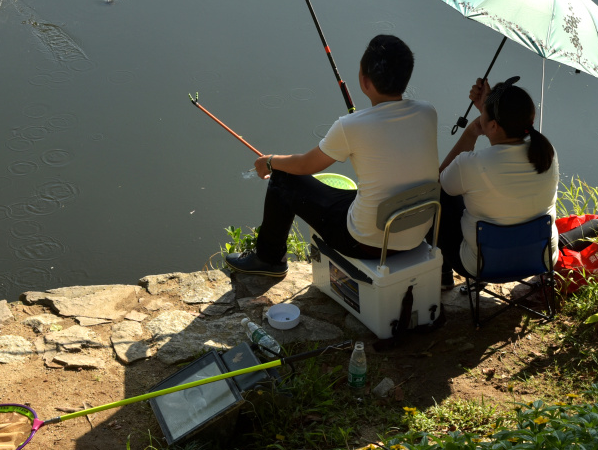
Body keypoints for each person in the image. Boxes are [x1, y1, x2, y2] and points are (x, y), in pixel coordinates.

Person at [225, 35, 439, 277]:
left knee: (283, 179)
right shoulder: (427, 112)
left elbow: (306, 165)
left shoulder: (351, 126)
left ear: (364, 81)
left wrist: (270, 161)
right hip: (415, 232)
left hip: (365, 243)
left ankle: (268, 259)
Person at [437, 77, 559, 288]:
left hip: (483, 266)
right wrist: (486, 110)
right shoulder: (548, 154)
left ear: (493, 125)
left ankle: (443, 273)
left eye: (484, 114)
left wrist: (472, 131)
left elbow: (438, 182)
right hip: (540, 258)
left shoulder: (472, 164)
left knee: (440, 197)